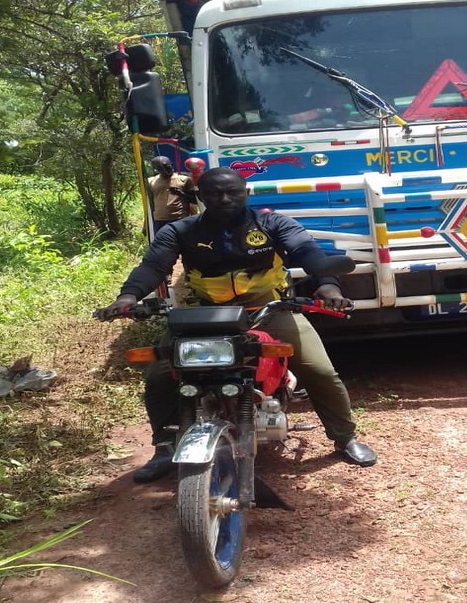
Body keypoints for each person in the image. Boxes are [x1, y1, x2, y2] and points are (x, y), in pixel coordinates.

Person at [94, 167, 377, 482]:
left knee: (320, 370)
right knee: (161, 374)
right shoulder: (181, 231)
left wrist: (329, 288)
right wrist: (127, 297)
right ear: (201, 196)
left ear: (246, 193)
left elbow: (308, 253)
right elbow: (153, 266)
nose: (224, 198)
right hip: (202, 315)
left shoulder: (273, 224)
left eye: (233, 192)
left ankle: (345, 437)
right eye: (214, 193)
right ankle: (164, 447)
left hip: (268, 310)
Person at [146, 155, 196, 235]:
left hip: (179, 219)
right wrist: (146, 224)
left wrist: (181, 194)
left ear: (171, 165)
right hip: (159, 220)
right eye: (160, 169)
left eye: (167, 167)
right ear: (156, 170)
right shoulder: (150, 182)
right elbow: (149, 204)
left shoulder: (184, 180)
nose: (165, 171)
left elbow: (195, 200)